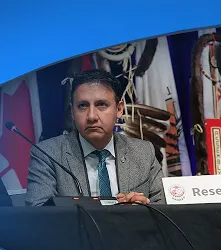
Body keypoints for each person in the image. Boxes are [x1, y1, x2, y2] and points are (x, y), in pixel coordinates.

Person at [25, 69, 164, 206]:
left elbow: (166, 209)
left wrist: (142, 210)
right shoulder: (47, 154)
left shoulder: (144, 152)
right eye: (82, 106)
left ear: (119, 109)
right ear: (72, 111)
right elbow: (39, 213)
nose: (91, 116)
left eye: (101, 104)